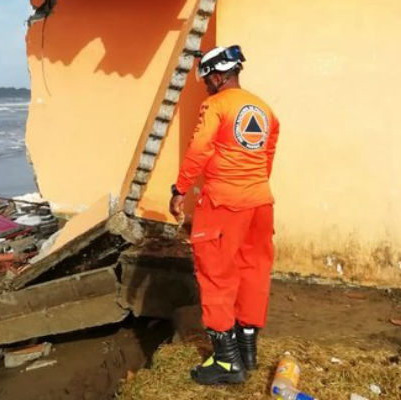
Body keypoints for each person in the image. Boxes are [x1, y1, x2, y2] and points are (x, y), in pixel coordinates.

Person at [169, 45, 280, 385]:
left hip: (223, 205)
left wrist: (180, 189)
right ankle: (247, 352)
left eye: (207, 80)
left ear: (217, 76)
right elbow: (268, 154)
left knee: (216, 275)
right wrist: (252, 186)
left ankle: (227, 363)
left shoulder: (215, 105)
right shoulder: (264, 108)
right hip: (260, 202)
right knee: (253, 272)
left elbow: (200, 149)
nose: (206, 87)